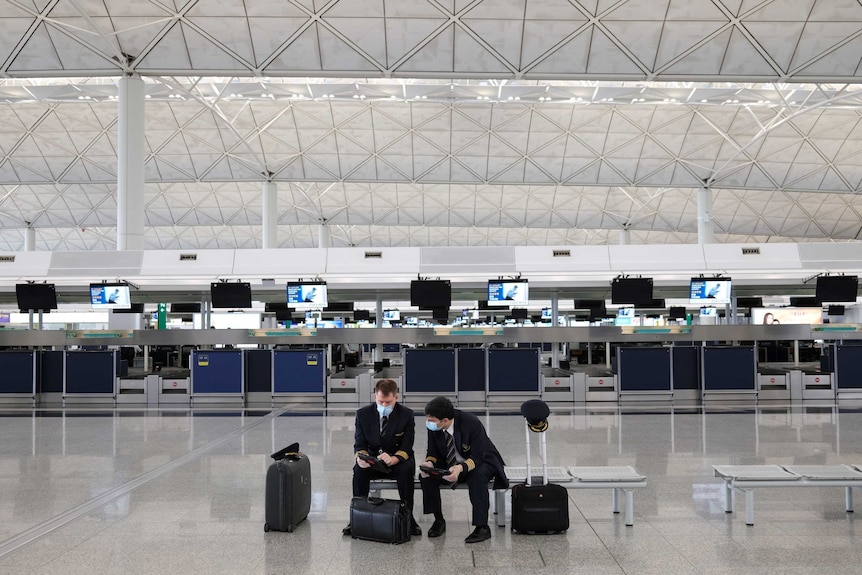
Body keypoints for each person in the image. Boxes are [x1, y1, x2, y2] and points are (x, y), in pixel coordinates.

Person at [419, 396, 508, 544]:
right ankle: (438, 520)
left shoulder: (471, 423)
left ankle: (482, 526)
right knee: (426, 476)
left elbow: (479, 456)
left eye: (432, 420)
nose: (429, 423)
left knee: (477, 477)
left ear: (445, 420)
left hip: (482, 461)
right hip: (450, 461)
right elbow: (433, 451)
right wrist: (429, 462)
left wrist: (460, 468)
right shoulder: (434, 426)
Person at [343, 379, 421, 537]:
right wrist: (361, 458)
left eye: (388, 402)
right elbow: (360, 444)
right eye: (381, 401)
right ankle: (358, 516)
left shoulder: (406, 415)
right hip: (373, 460)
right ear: (374, 397)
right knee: (359, 470)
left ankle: (408, 517)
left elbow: (407, 447)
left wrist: (393, 459)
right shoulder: (363, 414)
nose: (384, 406)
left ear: (396, 398)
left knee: (406, 471)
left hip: (397, 461)